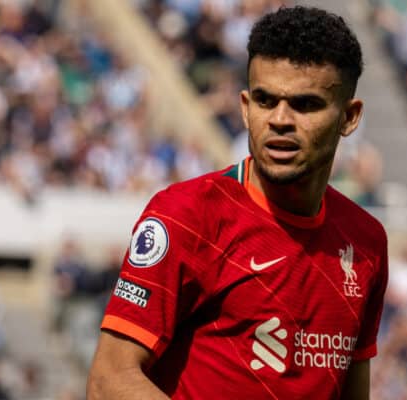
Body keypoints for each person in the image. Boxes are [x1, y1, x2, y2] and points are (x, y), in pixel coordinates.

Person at [86, 6, 388, 399]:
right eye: (265, 101)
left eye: (305, 104)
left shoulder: (365, 242)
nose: (280, 119)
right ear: (245, 108)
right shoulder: (187, 215)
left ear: (349, 117)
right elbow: (109, 381)